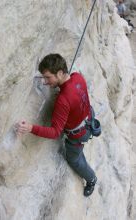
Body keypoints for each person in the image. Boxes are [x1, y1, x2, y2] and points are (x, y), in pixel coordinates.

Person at [15, 54, 97, 197]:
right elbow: (72, 90)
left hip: (78, 134)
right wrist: (62, 86)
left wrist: (31, 128)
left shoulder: (63, 100)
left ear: (60, 73)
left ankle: (91, 179)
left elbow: (55, 132)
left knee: (74, 159)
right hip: (89, 117)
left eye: (48, 77)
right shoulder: (77, 77)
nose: (45, 82)